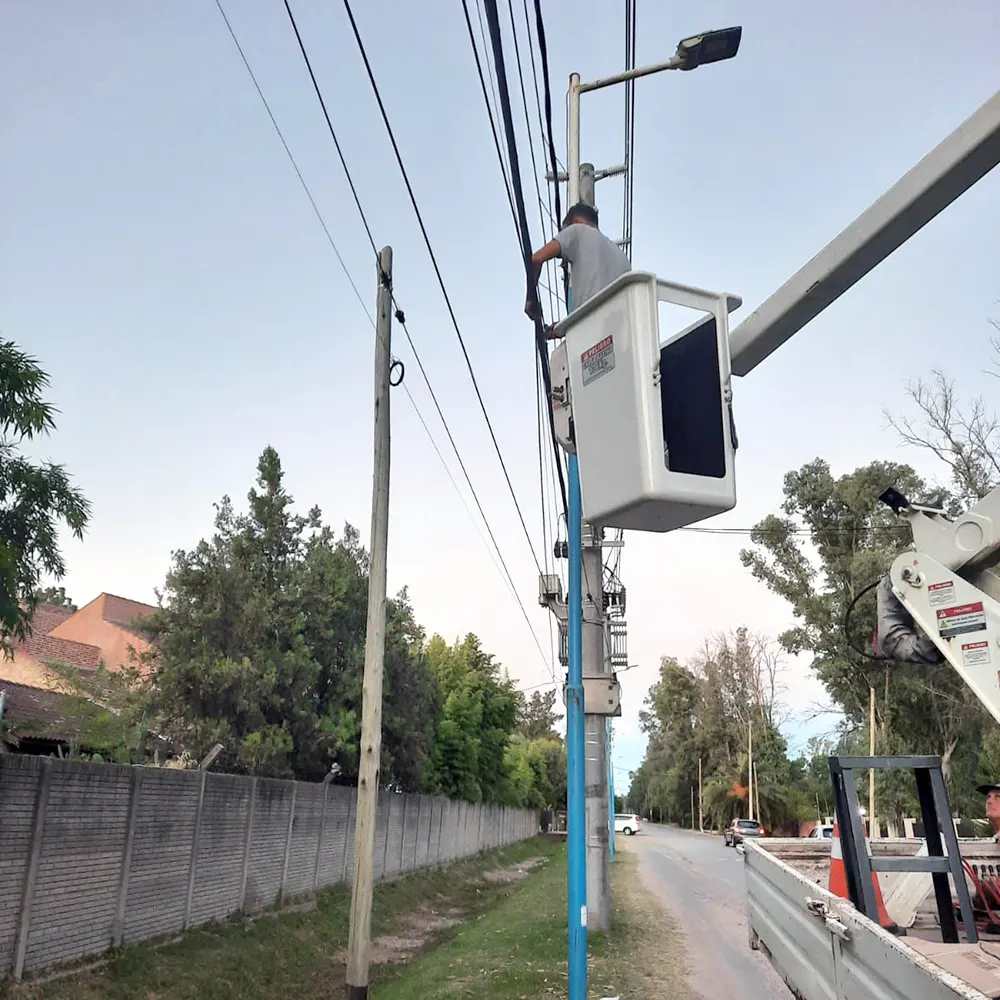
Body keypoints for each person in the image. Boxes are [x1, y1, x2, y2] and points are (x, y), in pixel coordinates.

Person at [525, 202, 631, 331]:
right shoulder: (622, 256)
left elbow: (536, 259)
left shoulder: (577, 230)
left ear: (573, 222)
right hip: (620, 333)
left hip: (590, 331)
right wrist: (558, 330)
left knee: (559, 351)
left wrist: (531, 300)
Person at [875, 575, 943, 664]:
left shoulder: (892, 644)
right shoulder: (891, 644)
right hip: (893, 583)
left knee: (926, 652)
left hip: (894, 582)